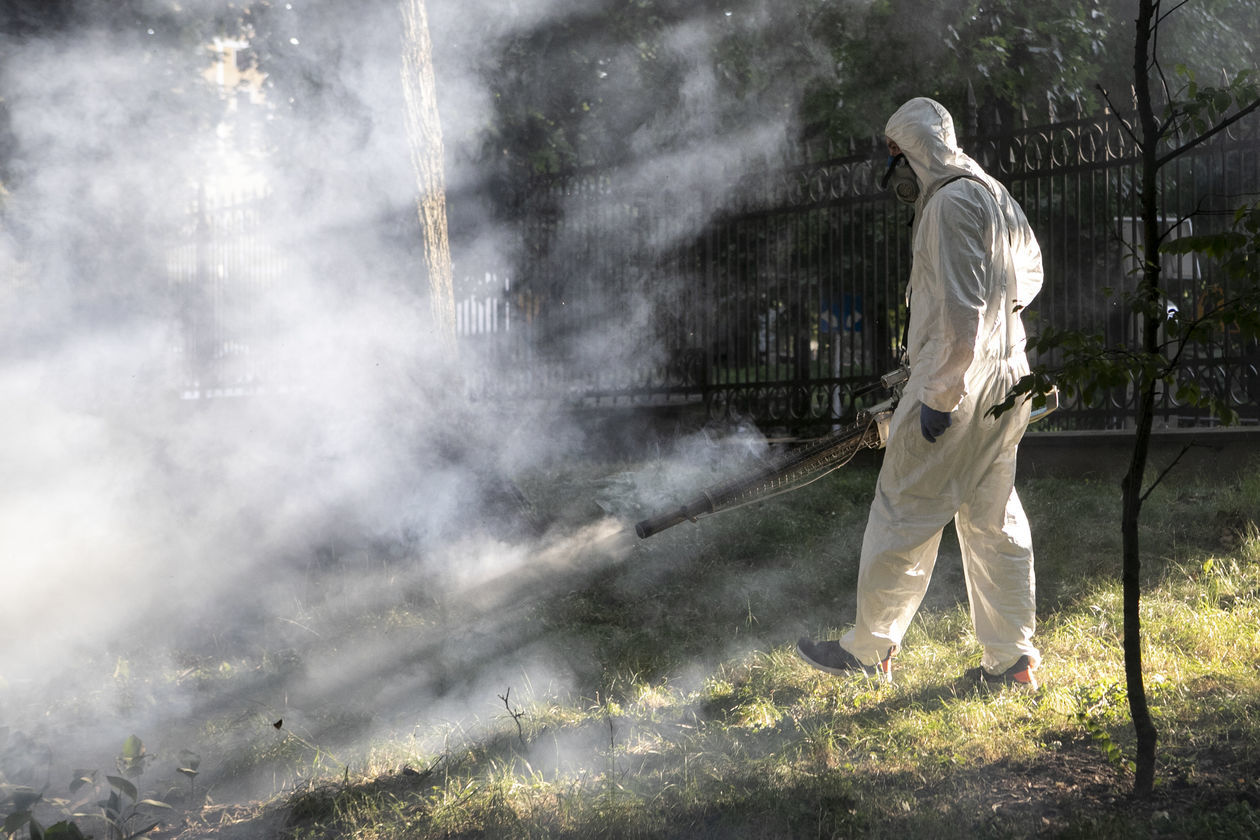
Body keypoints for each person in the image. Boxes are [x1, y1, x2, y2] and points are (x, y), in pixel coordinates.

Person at [796, 97, 1045, 689]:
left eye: (897, 158)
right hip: (1008, 376)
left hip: (960, 379)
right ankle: (1012, 661)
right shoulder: (992, 192)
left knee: (903, 508)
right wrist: (994, 333)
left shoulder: (950, 204)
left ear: (911, 152)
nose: (894, 175)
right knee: (993, 518)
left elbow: (961, 313)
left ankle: (866, 652)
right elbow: (1029, 276)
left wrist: (939, 393)